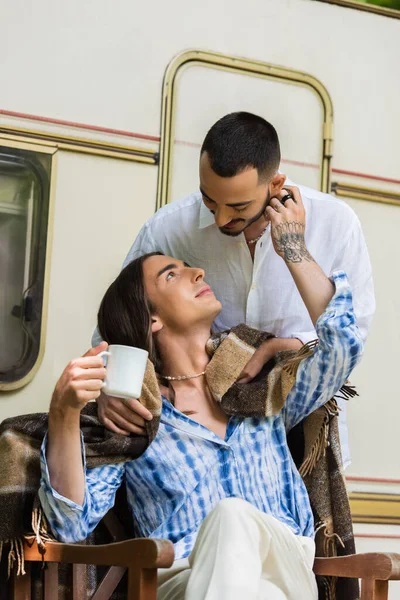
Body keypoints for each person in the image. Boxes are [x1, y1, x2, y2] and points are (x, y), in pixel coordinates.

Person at [39, 193, 363, 600]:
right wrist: (64, 412)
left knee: (232, 518)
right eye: (171, 275)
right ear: (151, 319)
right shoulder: (134, 414)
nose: (196, 272)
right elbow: (70, 523)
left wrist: (293, 248)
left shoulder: (262, 384)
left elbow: (343, 347)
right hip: (182, 579)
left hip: (283, 565)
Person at [94, 111, 374, 470]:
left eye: (238, 207)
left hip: (306, 434)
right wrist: (110, 388)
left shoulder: (337, 223)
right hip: (201, 444)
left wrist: (293, 249)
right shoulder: (169, 229)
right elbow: (118, 325)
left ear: (275, 184)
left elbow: (352, 336)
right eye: (209, 200)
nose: (222, 218)